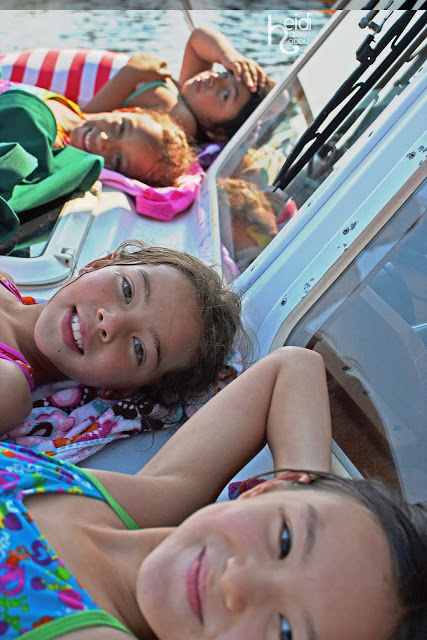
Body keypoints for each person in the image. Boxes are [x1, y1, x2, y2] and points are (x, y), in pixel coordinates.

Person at [0, 346, 425, 639]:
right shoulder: (151, 500)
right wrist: (300, 492)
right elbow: (293, 367)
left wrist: (293, 507)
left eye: (285, 632)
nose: (236, 582)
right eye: (284, 540)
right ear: (268, 487)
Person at [0, 239, 241, 435]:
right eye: (127, 290)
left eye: (139, 349)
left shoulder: (8, 388)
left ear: (119, 390)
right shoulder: (5, 279)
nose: (110, 322)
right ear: (99, 264)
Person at [83, 26, 275, 143]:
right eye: (225, 73)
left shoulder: (177, 116)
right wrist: (229, 56)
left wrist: (132, 73)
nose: (214, 79)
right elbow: (197, 39)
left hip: (68, 94)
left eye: (225, 95)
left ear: (217, 134)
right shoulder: (186, 98)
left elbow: (85, 122)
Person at [0, 78, 193, 187]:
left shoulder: (49, 141)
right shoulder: (75, 111)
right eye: (121, 127)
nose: (103, 140)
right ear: (126, 111)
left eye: (118, 159)